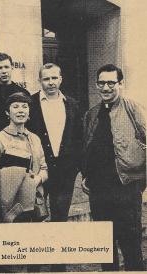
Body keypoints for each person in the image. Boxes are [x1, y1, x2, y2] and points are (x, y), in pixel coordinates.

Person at [81, 64, 146, 271]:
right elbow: (86, 147)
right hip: (99, 190)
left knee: (130, 243)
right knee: (105, 245)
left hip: (127, 186)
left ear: (121, 84)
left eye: (111, 83)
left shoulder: (133, 108)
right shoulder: (91, 114)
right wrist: (86, 175)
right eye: (102, 83)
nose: (106, 87)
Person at [26, 63, 82, 271]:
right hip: (38, 172)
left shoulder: (73, 105)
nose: (50, 83)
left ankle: (59, 266)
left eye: (54, 78)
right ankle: (35, 264)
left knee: (60, 218)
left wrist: (76, 167)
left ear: (61, 79)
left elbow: (79, 138)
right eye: (46, 79)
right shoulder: (30, 103)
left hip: (65, 173)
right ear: (40, 81)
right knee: (36, 217)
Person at [0, 92, 48, 273]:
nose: (21, 110)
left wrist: (36, 180)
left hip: (35, 203)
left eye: (25, 106)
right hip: (11, 206)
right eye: (16, 106)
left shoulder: (35, 138)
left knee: (34, 252)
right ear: (7, 112)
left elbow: (44, 167)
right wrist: (15, 177)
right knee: (14, 256)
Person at [0, 52, 30, 140]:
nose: (4, 71)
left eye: (6, 67)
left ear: (12, 67)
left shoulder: (23, 93)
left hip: (20, 140)